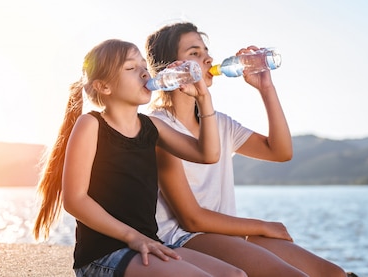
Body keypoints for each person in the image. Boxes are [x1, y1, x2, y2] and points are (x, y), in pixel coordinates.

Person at [145, 22, 348, 277]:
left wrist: (266, 88)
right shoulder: (159, 128)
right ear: (171, 67)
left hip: (226, 235)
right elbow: (191, 219)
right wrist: (263, 226)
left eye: (206, 51)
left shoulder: (219, 123)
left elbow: (280, 151)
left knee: (334, 274)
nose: (208, 58)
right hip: (184, 238)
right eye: (195, 53)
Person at [32, 38, 246, 277]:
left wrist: (203, 98)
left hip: (148, 245)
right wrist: (133, 237)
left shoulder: (151, 126)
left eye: (144, 67)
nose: (144, 73)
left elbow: (208, 154)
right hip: (104, 255)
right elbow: (75, 200)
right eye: (131, 68)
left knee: (234, 275)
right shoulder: (91, 124)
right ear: (104, 86)